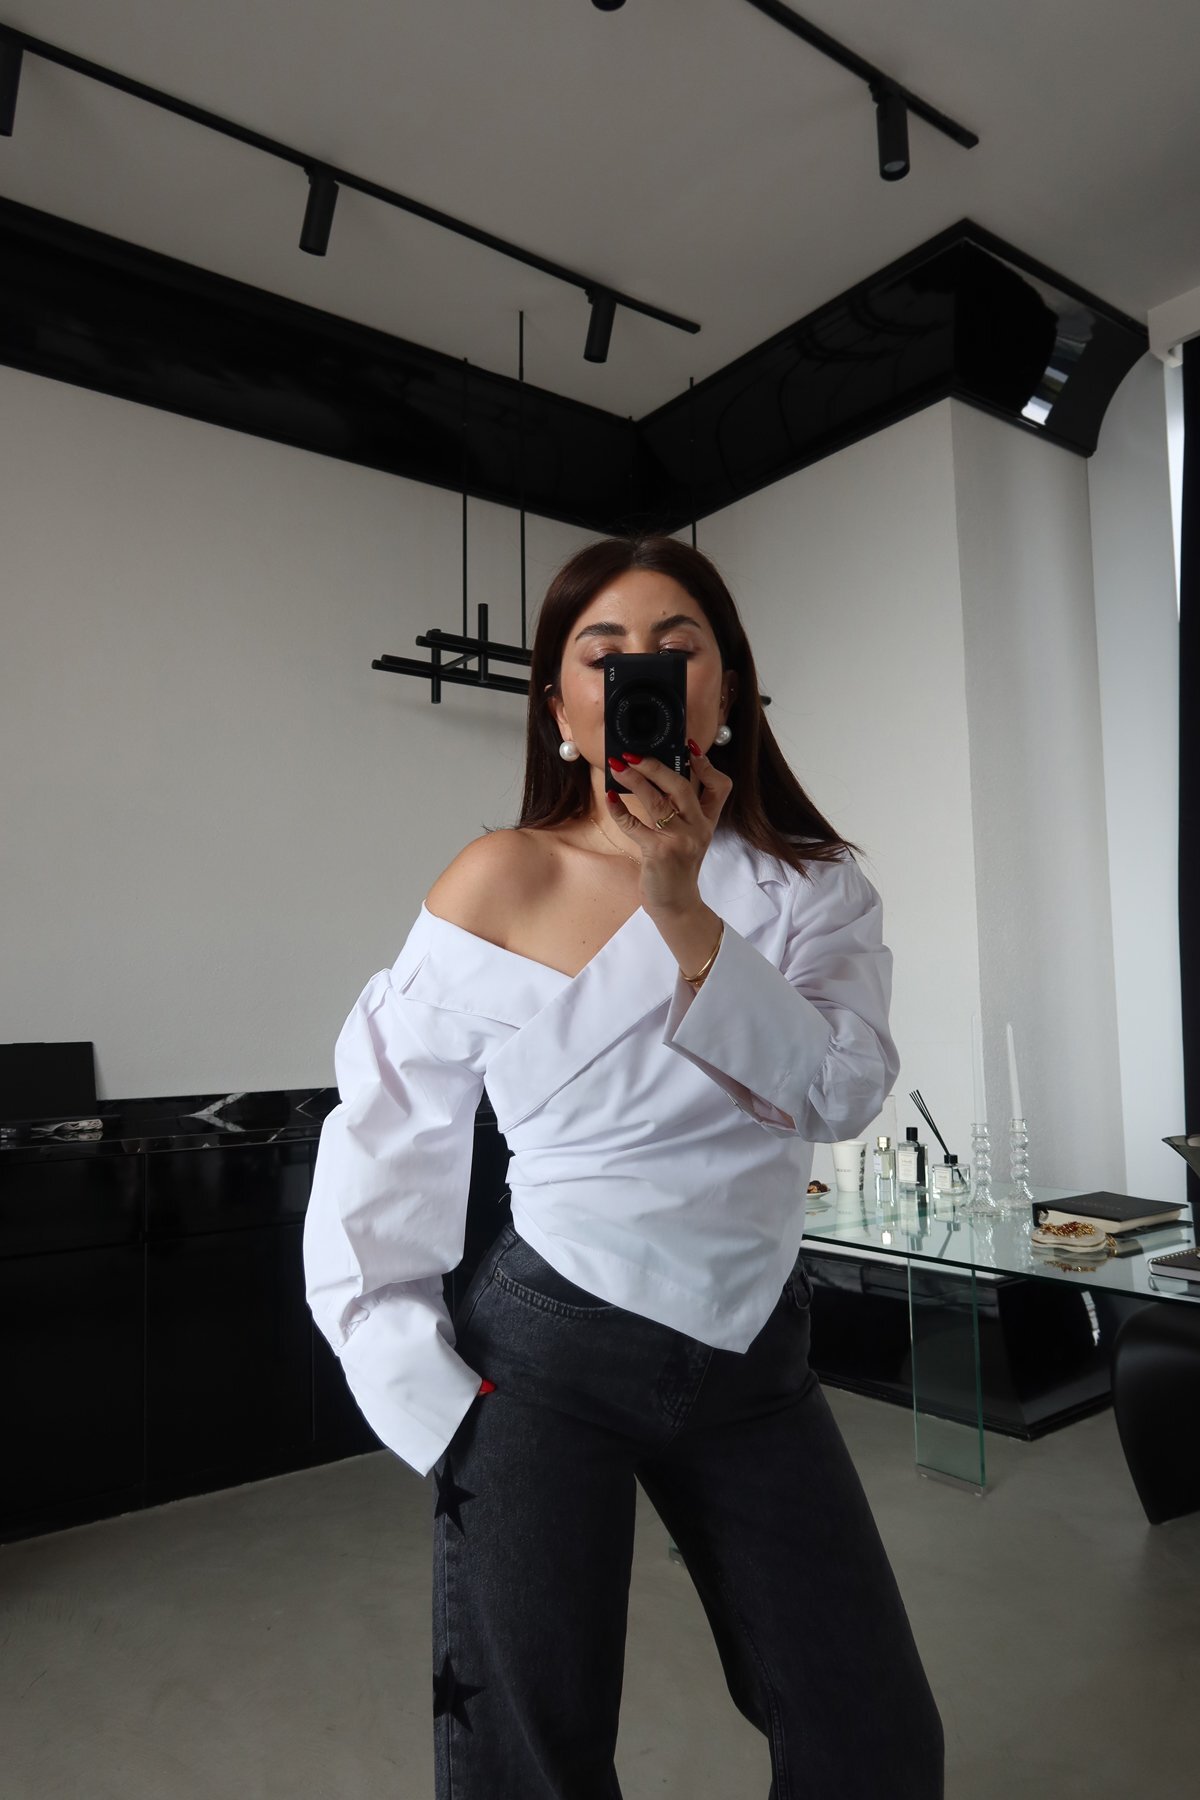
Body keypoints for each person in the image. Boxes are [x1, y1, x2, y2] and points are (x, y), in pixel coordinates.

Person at [302, 534, 944, 1799]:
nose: (638, 670)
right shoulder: (500, 878)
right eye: (602, 653)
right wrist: (414, 1378)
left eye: (675, 645)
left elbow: (841, 1093)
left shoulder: (810, 889)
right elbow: (383, 1130)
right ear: (560, 707)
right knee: (526, 1759)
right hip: (545, 1353)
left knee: (874, 1735)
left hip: (754, 1347)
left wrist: (687, 913)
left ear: (725, 690)